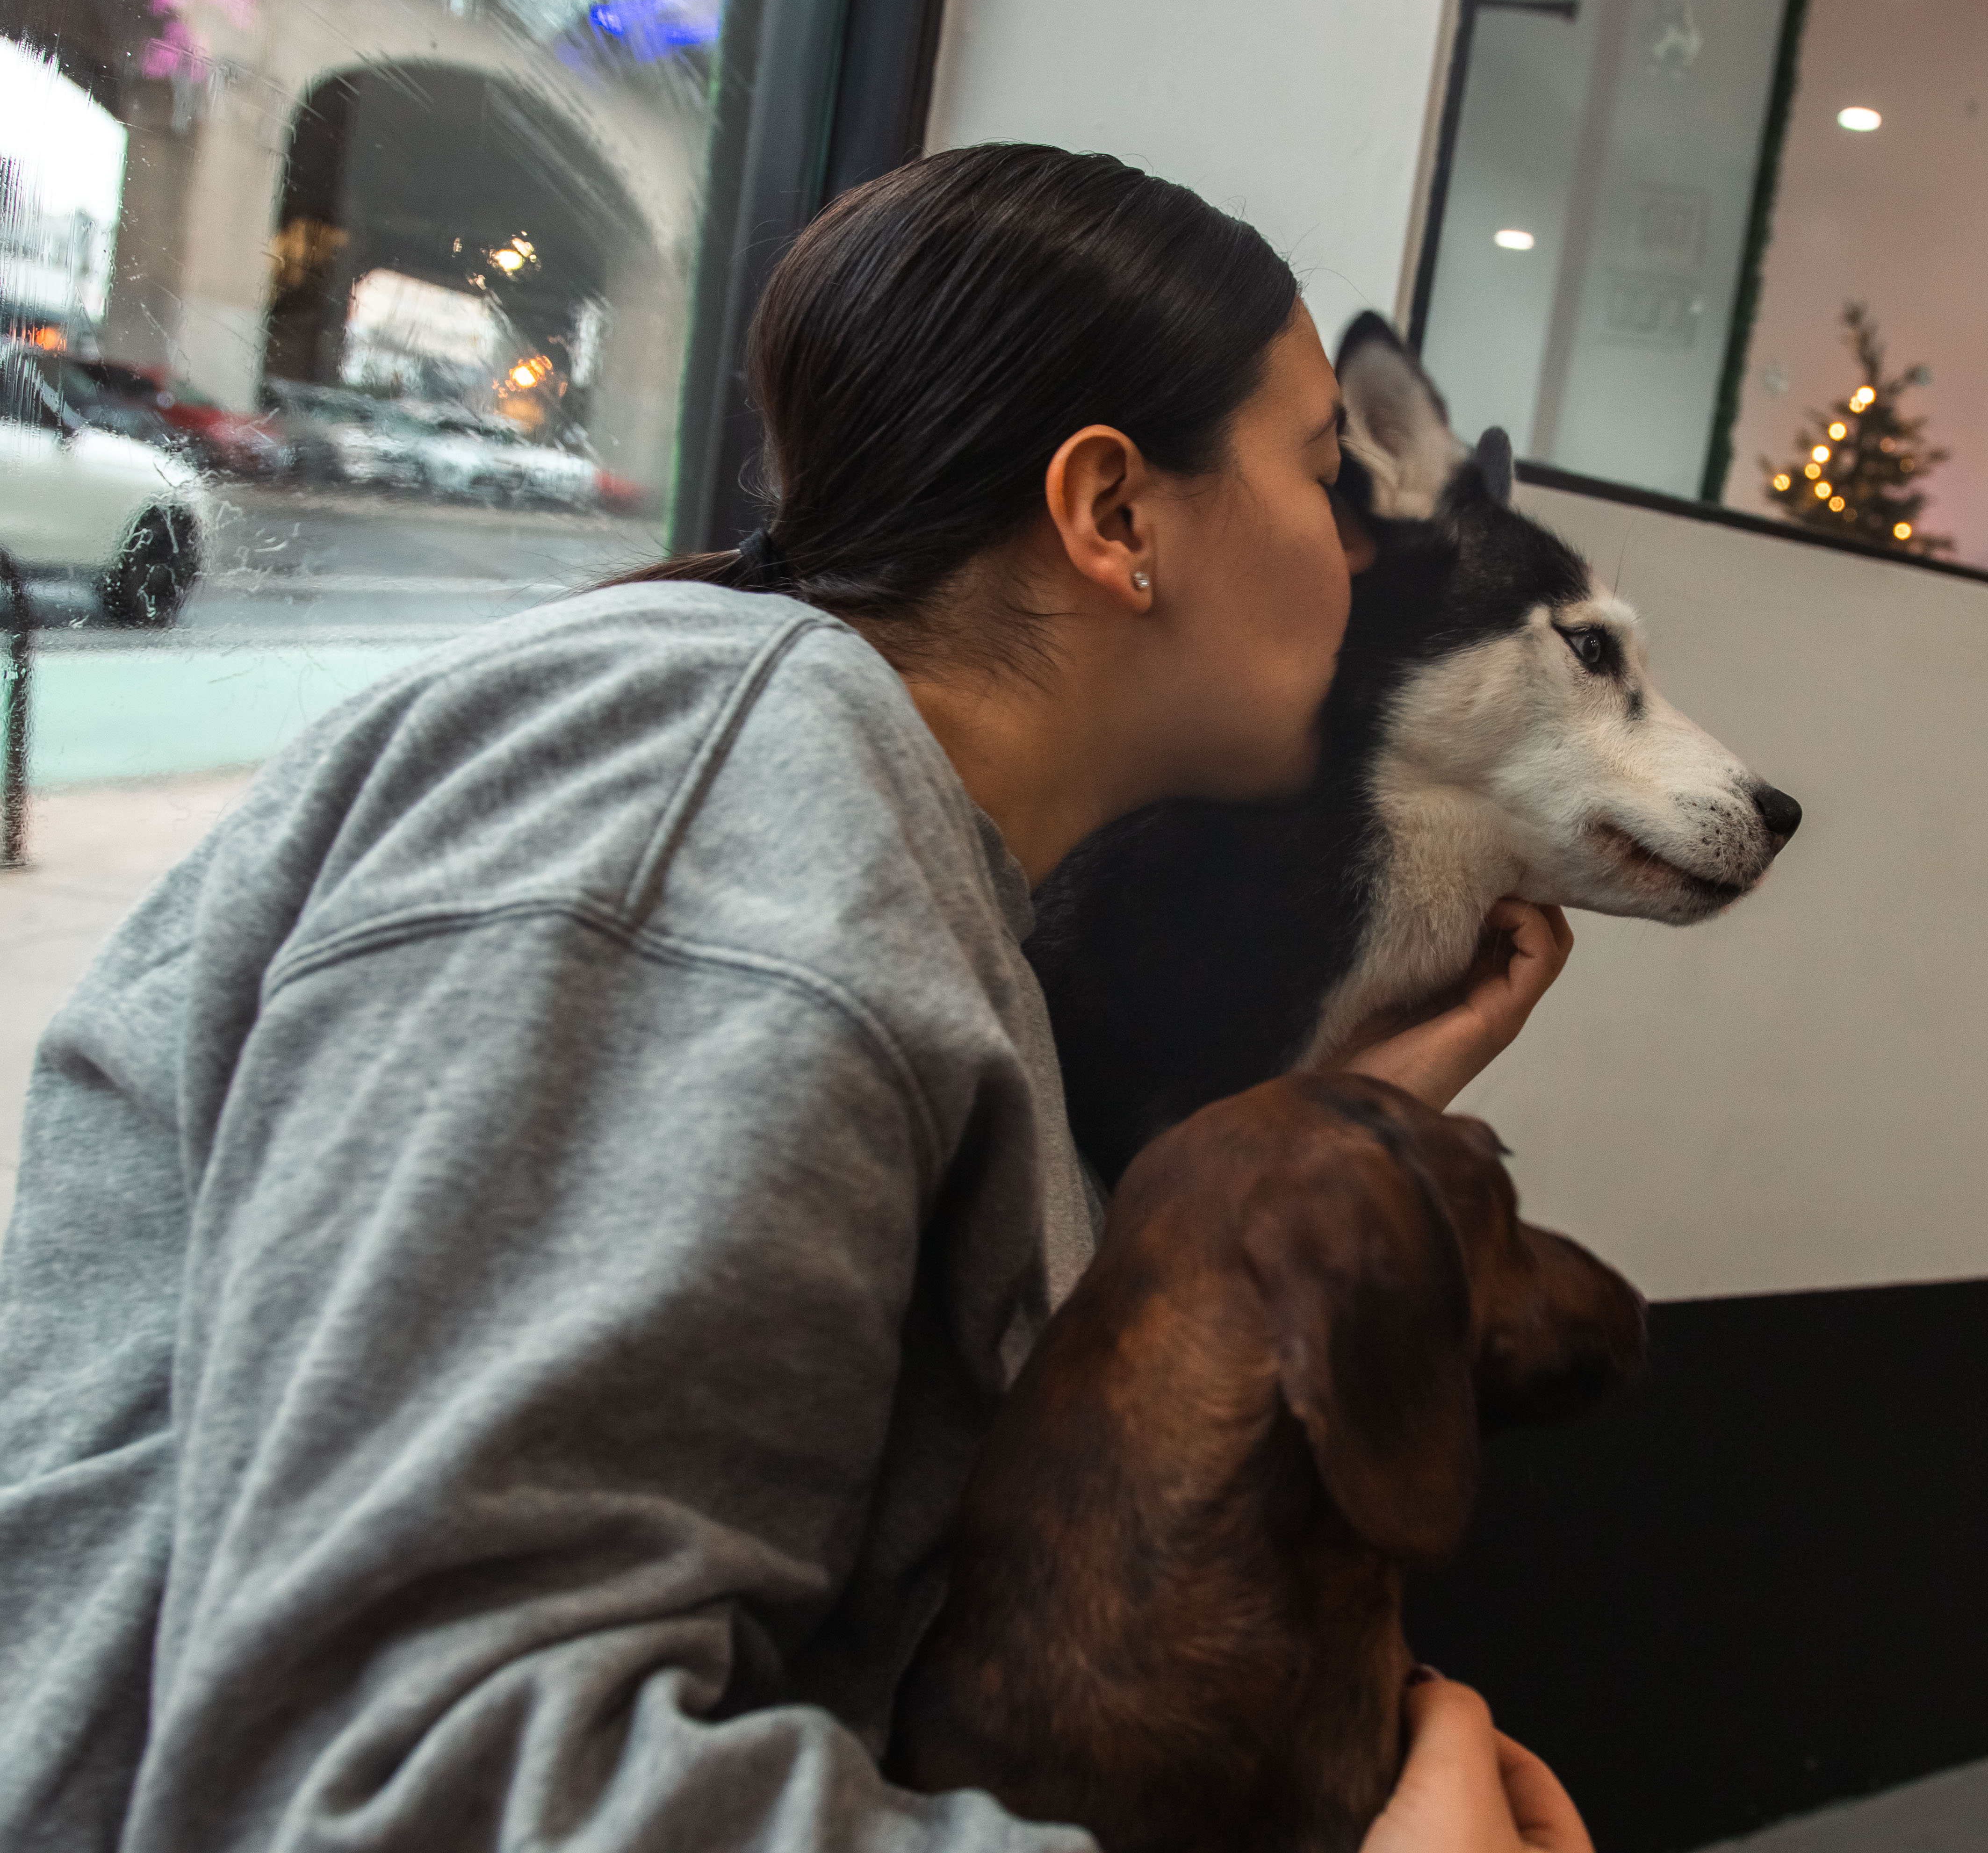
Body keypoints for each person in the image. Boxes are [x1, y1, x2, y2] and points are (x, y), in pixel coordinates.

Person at [0, 144, 1586, 1853]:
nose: (1363, 550)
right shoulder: (713, 813)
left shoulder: (860, 846)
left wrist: (1325, 1127)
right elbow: (405, 1793)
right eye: (1323, 471)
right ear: (1117, 515)